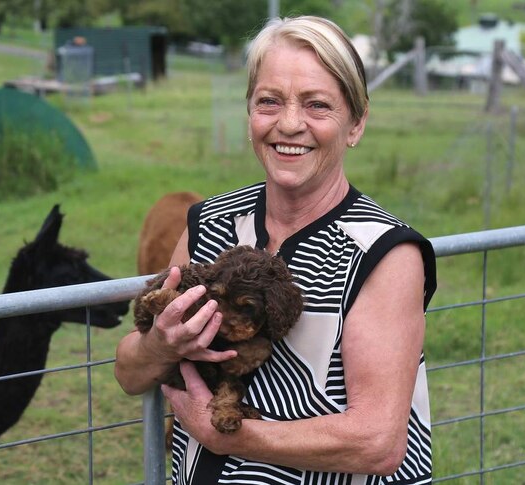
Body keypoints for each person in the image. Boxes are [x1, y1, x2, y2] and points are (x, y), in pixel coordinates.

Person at [114, 15, 437, 485]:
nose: (289, 124)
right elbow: (128, 373)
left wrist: (228, 435)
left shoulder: (382, 253)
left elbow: (377, 441)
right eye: (269, 101)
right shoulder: (209, 224)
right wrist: (159, 344)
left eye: (317, 105)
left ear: (356, 123)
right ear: (249, 113)